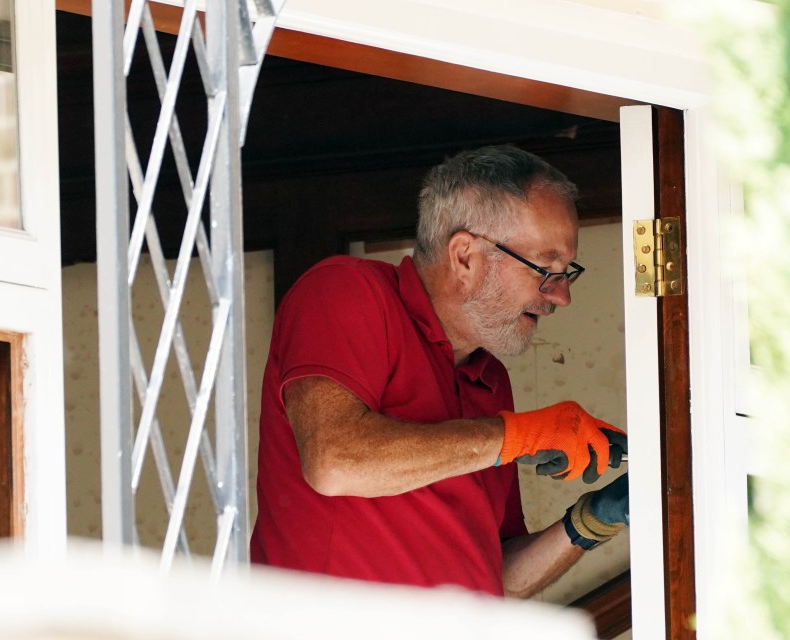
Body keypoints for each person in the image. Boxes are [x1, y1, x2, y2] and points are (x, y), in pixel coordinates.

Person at [249, 144, 629, 598]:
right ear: (465, 256)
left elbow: (494, 578)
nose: (561, 296)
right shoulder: (347, 291)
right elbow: (335, 461)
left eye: (567, 272)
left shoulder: (489, 378)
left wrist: (591, 521)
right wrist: (517, 435)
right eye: (546, 269)